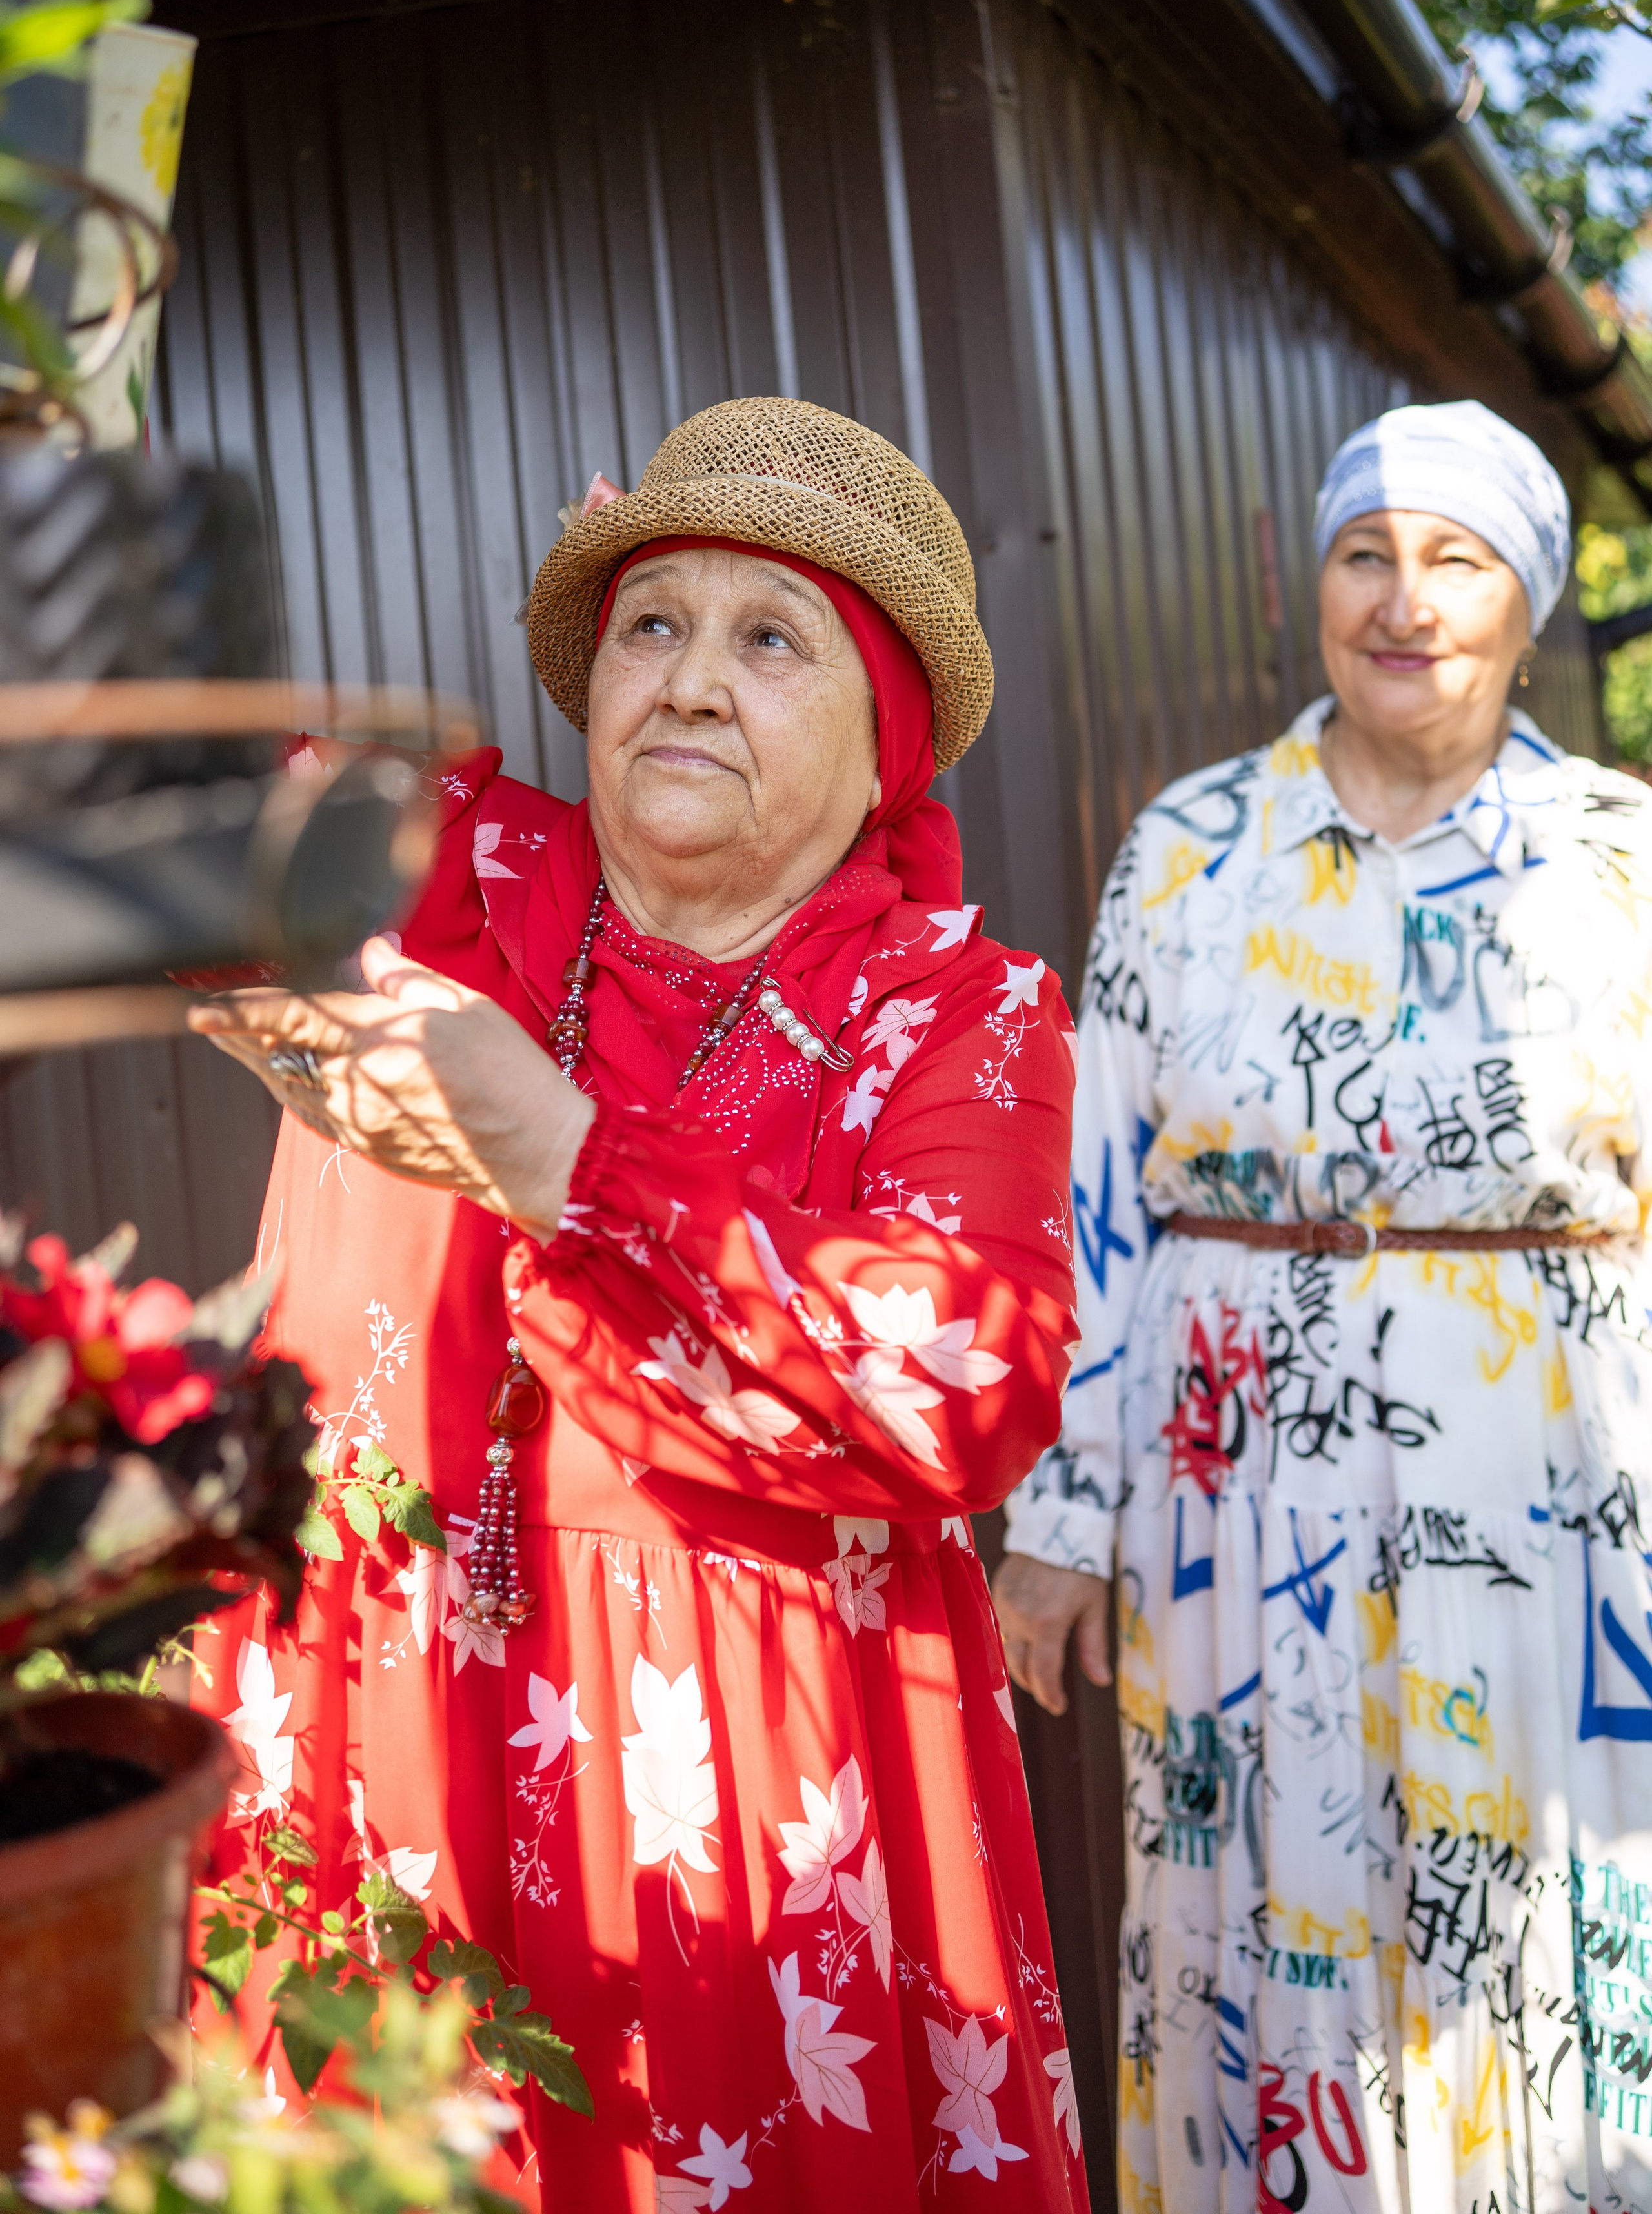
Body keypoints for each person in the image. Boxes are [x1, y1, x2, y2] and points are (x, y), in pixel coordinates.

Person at [186, 397, 1085, 2214]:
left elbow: (958, 1385)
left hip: (740, 1786)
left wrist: (562, 1157)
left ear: (887, 732)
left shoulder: (955, 1016)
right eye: (652, 626)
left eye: (771, 640)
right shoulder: (469, 875)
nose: (685, 680)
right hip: (378, 1713)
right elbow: (151, 809)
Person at [992, 398, 1652, 2214]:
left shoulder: (1623, 860)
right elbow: (1098, 1201)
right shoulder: (1192, 848)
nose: (1405, 598)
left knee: (1530, 1906)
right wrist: (1059, 1520)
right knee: (1259, 1918)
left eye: (1457, 559)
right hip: (1233, 1496)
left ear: (1526, 600)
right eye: (1369, 551)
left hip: (1553, 1502)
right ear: (1317, 579)